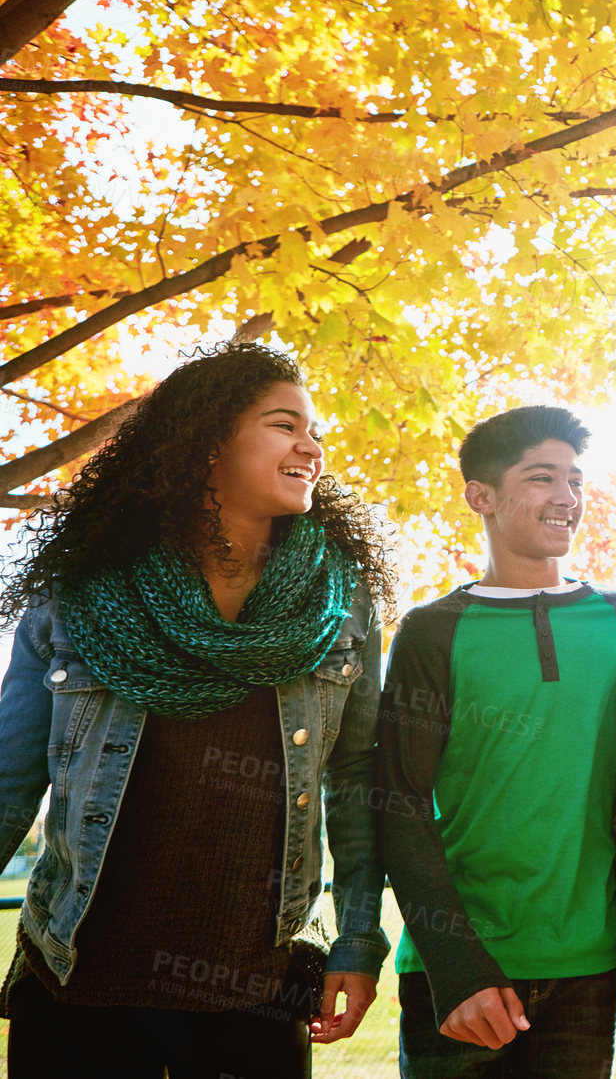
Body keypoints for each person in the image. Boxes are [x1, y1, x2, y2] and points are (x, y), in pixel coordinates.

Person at [0, 342, 392, 1077]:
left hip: (256, 999)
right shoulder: (83, 592)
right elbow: (8, 777)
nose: (311, 447)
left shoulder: (338, 607)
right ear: (207, 443)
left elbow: (359, 781)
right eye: (285, 425)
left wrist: (359, 939)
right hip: (81, 987)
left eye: (316, 432)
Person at [376, 405, 616, 1078]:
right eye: (542, 478)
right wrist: (456, 966)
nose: (567, 498)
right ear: (482, 497)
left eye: (575, 480)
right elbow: (397, 800)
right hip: (463, 968)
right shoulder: (433, 631)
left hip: (589, 965)